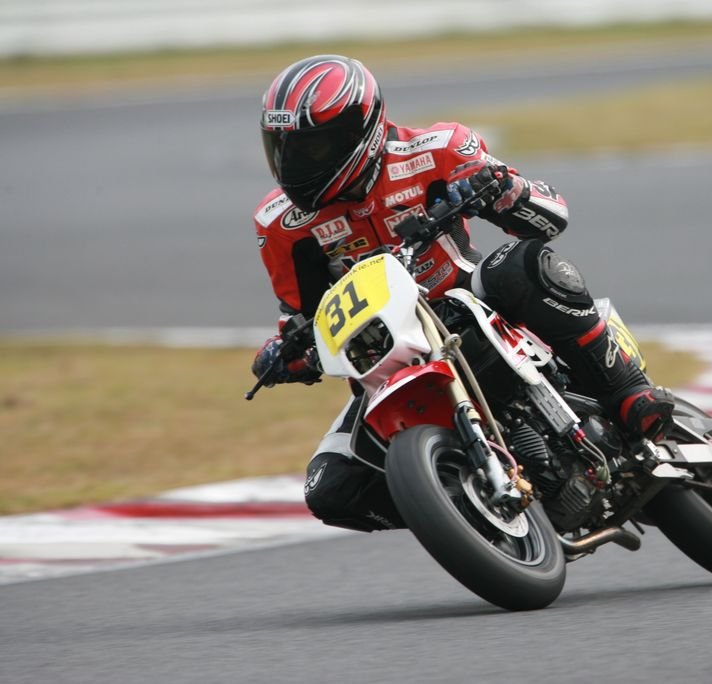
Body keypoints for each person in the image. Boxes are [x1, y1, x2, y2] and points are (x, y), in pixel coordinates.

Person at [251, 55, 673, 532]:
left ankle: (628, 393)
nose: (292, 166)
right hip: (384, 354)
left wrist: (504, 190)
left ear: (359, 131)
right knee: (329, 490)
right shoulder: (280, 223)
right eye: (281, 149)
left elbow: (552, 215)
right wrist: (283, 354)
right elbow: (302, 319)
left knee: (521, 264)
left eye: (311, 149)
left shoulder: (438, 148)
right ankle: (466, 505)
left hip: (464, 296)